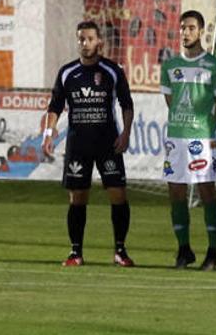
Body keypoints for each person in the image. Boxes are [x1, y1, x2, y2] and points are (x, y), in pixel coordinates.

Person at [42, 21, 135, 267]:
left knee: (118, 194)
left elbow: (127, 104)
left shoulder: (112, 71)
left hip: (108, 143)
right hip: (78, 145)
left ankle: (120, 251)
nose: (85, 43)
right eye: (81, 39)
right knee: (78, 197)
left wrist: (125, 134)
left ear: (99, 42)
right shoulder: (67, 73)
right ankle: (75, 253)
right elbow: (55, 107)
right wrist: (48, 134)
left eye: (89, 39)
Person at [160, 10, 216, 270]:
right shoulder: (170, 65)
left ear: (201, 31)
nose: (185, 33)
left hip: (201, 139)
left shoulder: (213, 65)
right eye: (182, 28)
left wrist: (208, 128)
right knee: (175, 193)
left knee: (207, 192)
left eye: (190, 28)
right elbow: (170, 100)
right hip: (176, 138)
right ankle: (184, 249)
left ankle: (212, 251)